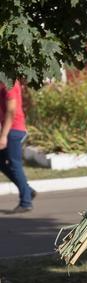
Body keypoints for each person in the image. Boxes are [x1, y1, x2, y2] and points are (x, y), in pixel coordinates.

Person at [0, 80, 35, 212]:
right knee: (1, 162)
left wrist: (3, 135)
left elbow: (11, 110)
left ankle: (26, 202)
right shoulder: (3, 83)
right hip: (9, 129)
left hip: (13, 130)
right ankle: (27, 190)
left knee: (15, 165)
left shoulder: (9, 84)